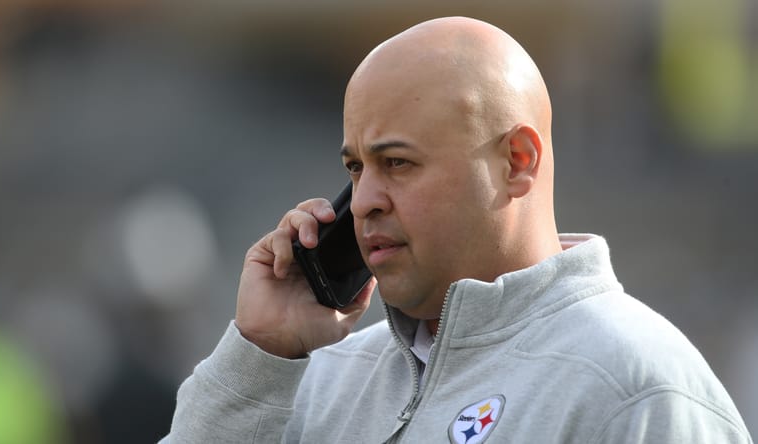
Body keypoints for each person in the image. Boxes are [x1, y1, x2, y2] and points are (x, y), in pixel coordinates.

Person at [161, 17, 753, 443]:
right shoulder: (322, 377)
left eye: (397, 163)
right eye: (355, 168)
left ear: (518, 161)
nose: (363, 201)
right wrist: (261, 355)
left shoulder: (633, 385)